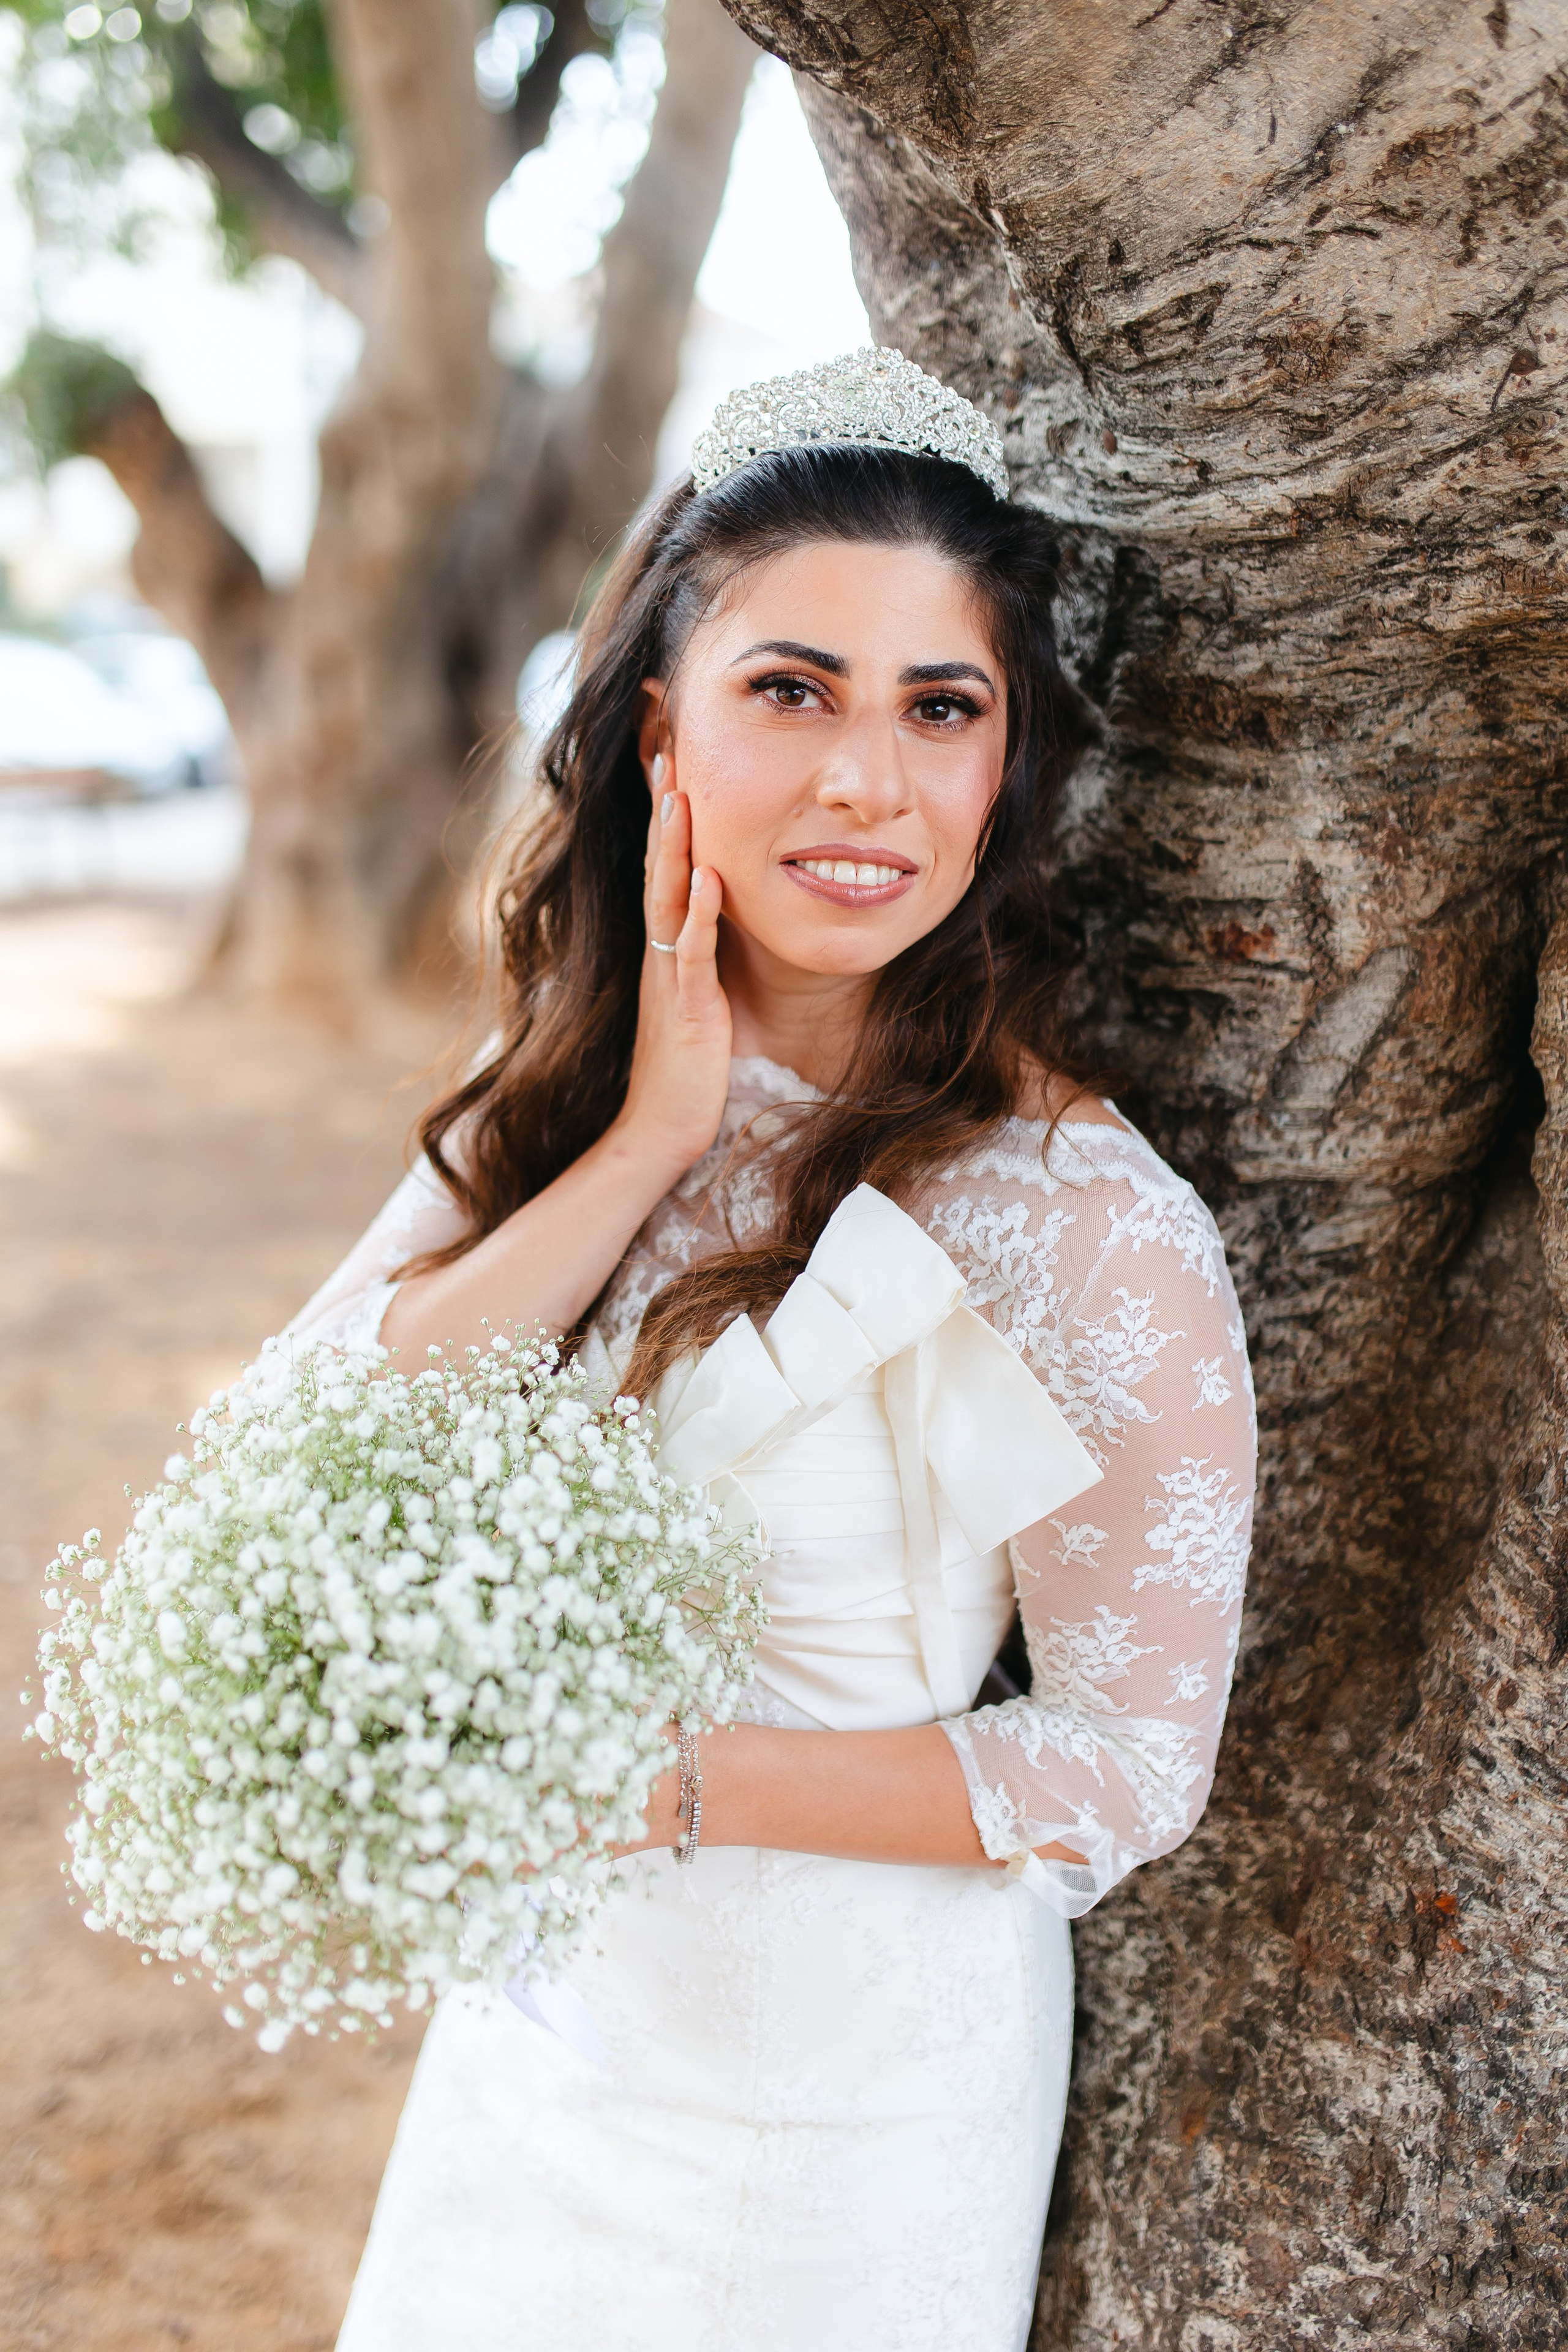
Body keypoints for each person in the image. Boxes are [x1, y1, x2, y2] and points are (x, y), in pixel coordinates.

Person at [295, 348, 1256, 2352]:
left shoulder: (1078, 1222)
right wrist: (650, 1134)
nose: (865, 783)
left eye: (941, 710)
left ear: (1004, 773)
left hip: (850, 2117)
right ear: (662, 731)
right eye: (791, 690)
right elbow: (303, 1442)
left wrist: (666, 1786)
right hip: (540, 2056)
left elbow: (1126, 1764)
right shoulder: (554, 1103)